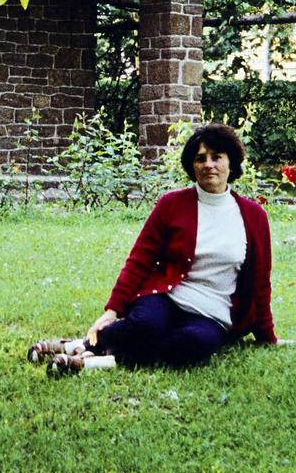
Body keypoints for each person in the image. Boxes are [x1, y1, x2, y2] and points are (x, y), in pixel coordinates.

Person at [30, 124, 276, 374]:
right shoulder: (172, 204)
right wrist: (112, 311)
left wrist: (267, 337)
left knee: (191, 344)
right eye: (200, 158)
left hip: (211, 314)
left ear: (231, 163)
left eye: (217, 157)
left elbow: (260, 281)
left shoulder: (253, 216)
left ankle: (84, 355)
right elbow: (140, 259)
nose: (208, 165)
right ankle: (84, 349)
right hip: (166, 298)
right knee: (145, 327)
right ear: (192, 166)